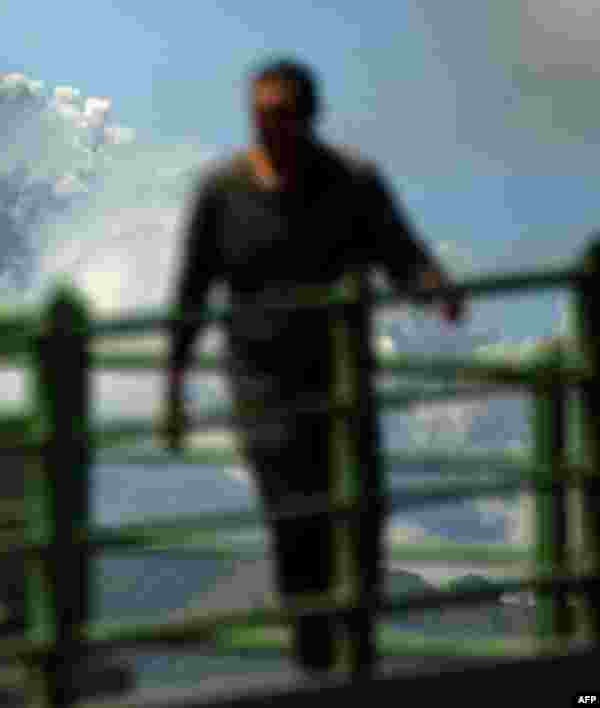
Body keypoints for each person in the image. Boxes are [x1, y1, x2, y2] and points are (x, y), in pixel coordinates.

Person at [162, 57, 466, 677]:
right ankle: (315, 660)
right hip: (262, 385)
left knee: (359, 512)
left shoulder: (350, 183)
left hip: (340, 377)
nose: (267, 130)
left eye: (280, 118)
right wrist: (174, 385)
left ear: (307, 119)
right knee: (296, 518)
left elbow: (401, 255)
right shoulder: (223, 193)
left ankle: (357, 652)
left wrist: (436, 289)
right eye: (259, 117)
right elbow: (191, 293)